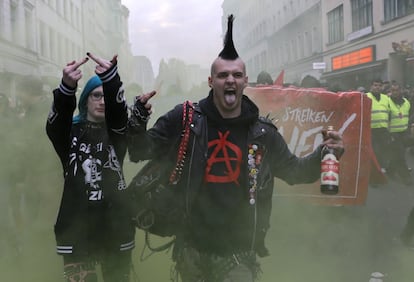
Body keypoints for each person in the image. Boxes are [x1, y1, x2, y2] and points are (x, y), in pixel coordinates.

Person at [127, 15, 344, 282]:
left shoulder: (263, 134)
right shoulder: (184, 119)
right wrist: (137, 120)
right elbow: (138, 151)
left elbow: (296, 172)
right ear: (211, 81)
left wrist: (326, 153)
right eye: (223, 75)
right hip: (192, 252)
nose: (230, 80)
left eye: (236, 75)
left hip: (239, 255)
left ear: (245, 81)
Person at [46, 53, 136, 282]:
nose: (103, 101)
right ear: (85, 99)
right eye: (96, 96)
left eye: (106, 96)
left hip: (116, 227)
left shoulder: (118, 134)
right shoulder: (69, 134)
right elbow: (56, 123)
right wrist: (67, 88)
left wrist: (111, 81)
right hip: (77, 231)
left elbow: (118, 116)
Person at [387, 81, 413, 185]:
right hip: (393, 133)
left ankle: (390, 170)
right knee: (400, 154)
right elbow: (386, 119)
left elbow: (409, 116)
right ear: (390, 91)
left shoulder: (406, 102)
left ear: (401, 90)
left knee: (398, 154)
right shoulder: (387, 102)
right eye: (393, 90)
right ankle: (405, 176)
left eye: (397, 90)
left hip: (404, 132)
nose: (395, 92)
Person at [366, 79, 391, 173]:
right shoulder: (366, 97)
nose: (377, 87)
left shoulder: (386, 98)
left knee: (383, 150)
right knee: (374, 151)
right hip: (371, 129)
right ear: (371, 86)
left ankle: (380, 168)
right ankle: (373, 172)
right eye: (375, 85)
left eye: (379, 85)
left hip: (383, 129)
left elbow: (389, 113)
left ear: (382, 87)